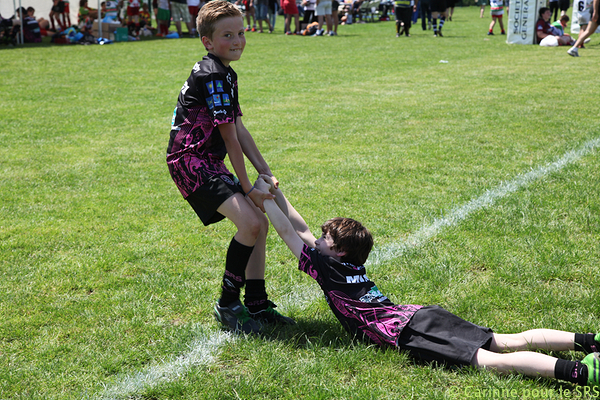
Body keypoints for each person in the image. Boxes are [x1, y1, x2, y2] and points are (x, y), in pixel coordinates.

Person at [254, 175, 600, 388]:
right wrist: (277, 193)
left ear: (339, 250)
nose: (317, 240)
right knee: (505, 340)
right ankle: (589, 341)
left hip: (406, 332)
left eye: (324, 238)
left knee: (491, 361)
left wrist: (264, 199)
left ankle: (581, 373)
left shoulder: (326, 268)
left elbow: (288, 232)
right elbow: (302, 228)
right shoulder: (346, 263)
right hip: (419, 314)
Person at [166, 0, 295, 335]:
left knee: (259, 225)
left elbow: (239, 128)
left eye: (241, 32)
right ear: (208, 41)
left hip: (207, 160)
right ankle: (228, 304)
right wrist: (249, 189)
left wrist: (265, 171)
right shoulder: (213, 75)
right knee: (251, 223)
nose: (238, 40)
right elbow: (230, 139)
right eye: (227, 35)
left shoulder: (224, 72)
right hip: (190, 162)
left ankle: (257, 303)